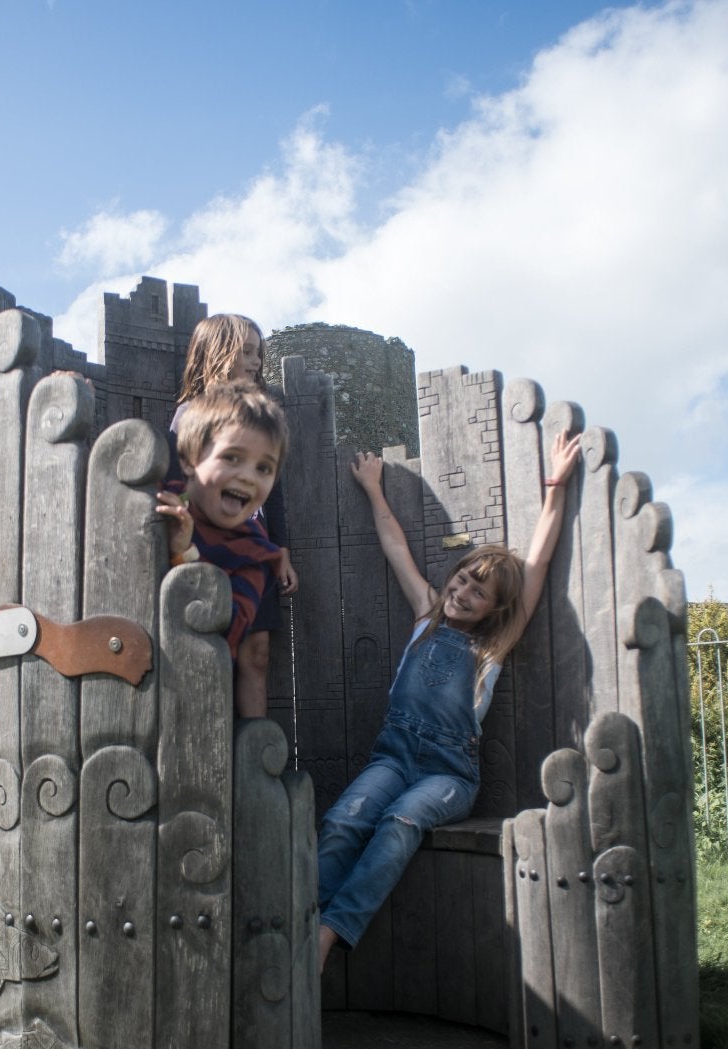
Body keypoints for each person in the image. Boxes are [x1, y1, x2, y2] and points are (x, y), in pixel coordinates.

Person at [317, 429, 583, 972]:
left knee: (399, 824)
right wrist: (373, 489)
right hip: (392, 757)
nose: (462, 594)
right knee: (346, 819)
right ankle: (295, 921)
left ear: (493, 609)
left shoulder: (494, 645)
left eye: (477, 593)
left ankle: (324, 938)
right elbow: (395, 544)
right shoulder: (425, 612)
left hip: (448, 775)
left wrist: (555, 487)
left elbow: (534, 567)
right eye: (462, 581)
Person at [172, 315, 298, 719]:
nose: (256, 361)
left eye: (258, 352)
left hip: (254, 548)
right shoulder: (190, 416)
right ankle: (213, 744)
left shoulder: (262, 419)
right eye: (246, 350)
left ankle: (254, 754)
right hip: (208, 550)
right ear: (215, 352)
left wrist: (281, 549)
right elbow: (180, 483)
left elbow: (274, 489)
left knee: (256, 653)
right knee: (208, 648)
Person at [155, 380, 290, 674]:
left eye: (264, 468)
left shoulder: (253, 554)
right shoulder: (158, 499)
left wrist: (184, 555)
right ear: (190, 460)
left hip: (192, 687)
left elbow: (224, 629)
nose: (248, 477)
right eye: (232, 457)